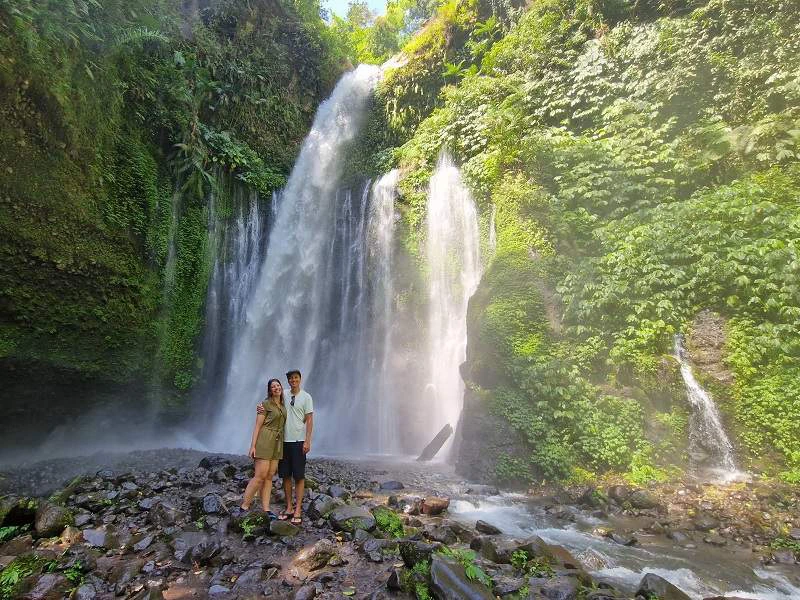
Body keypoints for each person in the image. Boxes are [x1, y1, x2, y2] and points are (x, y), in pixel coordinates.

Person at [258, 369, 313, 525]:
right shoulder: (284, 394)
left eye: (296, 378)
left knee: (299, 476)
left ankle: (298, 509)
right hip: (282, 441)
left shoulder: (306, 397)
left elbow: (309, 420)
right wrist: (260, 407)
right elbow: (271, 400)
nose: (293, 380)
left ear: (300, 379)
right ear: (288, 381)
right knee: (286, 475)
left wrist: (307, 441)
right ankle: (289, 507)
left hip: (298, 441)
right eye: (291, 378)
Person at [241, 378, 286, 518]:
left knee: (269, 476)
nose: (276, 388)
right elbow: (257, 426)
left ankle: (266, 509)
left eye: (278, 385)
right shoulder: (265, 404)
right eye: (273, 387)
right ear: (270, 390)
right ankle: (244, 506)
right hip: (265, 440)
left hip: (277, 443)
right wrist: (253, 446)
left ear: (281, 387)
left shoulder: (283, 405)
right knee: (260, 476)